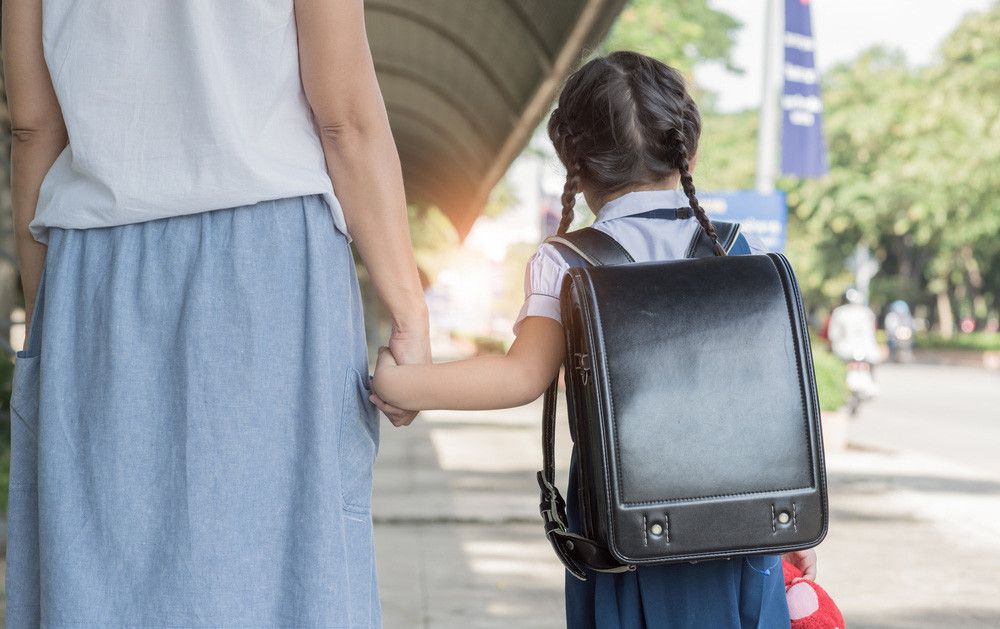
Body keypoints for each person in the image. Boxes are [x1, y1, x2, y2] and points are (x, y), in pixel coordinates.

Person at [3, 0, 427, 626]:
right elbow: (344, 119)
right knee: (283, 564)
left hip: (95, 264)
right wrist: (410, 314)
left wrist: (51, 325)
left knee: (96, 561)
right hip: (269, 265)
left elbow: (33, 128)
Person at [373, 51, 816, 628]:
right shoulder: (736, 248)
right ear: (688, 152)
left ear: (573, 165)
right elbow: (773, 398)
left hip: (622, 528)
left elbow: (520, 377)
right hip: (740, 521)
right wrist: (792, 518)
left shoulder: (567, 261)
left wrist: (400, 384)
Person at [827, 289, 881, 364]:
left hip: (846, 352)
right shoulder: (867, 312)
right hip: (867, 353)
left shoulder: (839, 312)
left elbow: (833, 336)